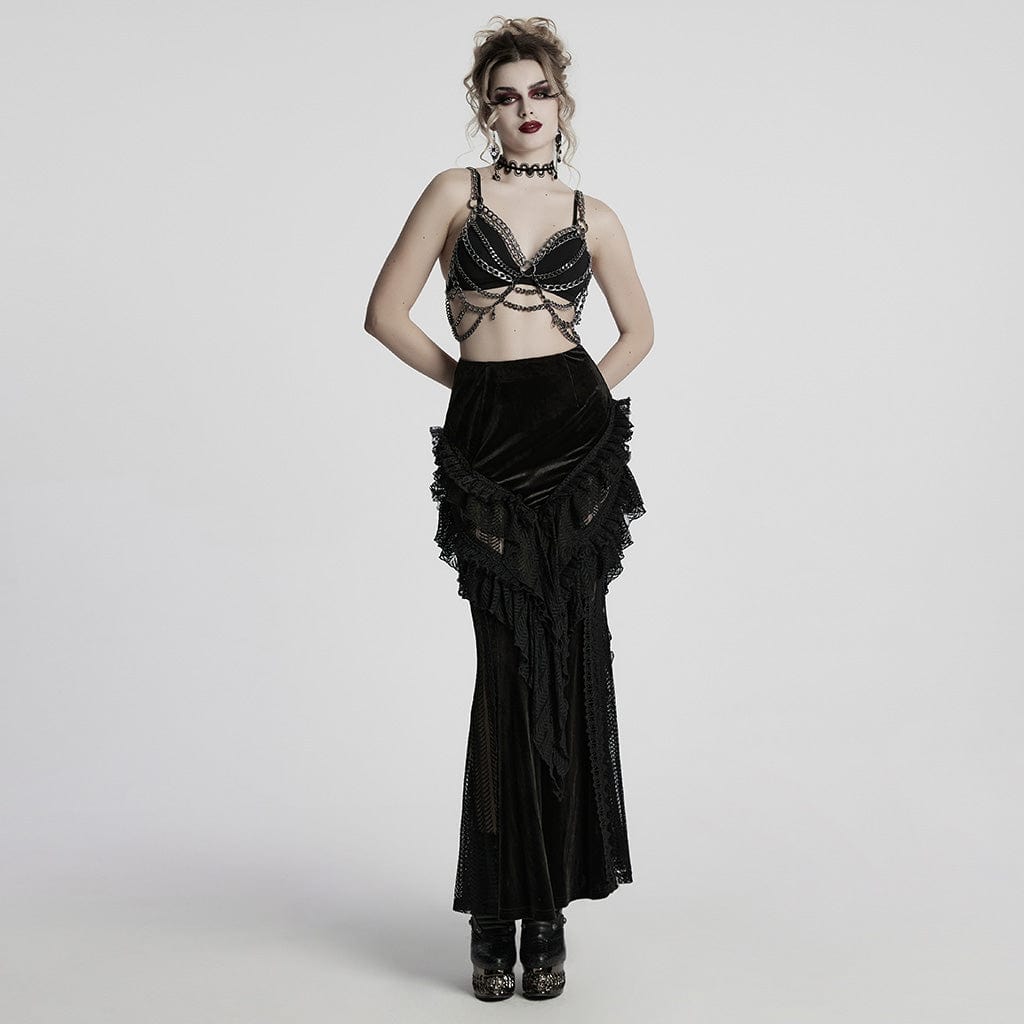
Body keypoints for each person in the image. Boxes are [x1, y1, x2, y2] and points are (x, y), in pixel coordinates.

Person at [364, 15, 654, 1000]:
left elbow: (639, 331)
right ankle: (496, 912)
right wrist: (472, 390)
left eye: (540, 93)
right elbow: (384, 313)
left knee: (570, 665)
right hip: (488, 453)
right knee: (505, 672)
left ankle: (548, 915)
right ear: (484, 111)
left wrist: (573, 401)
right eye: (505, 96)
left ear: (562, 105)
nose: (525, 109)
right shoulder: (456, 194)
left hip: (576, 455)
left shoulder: (593, 214)